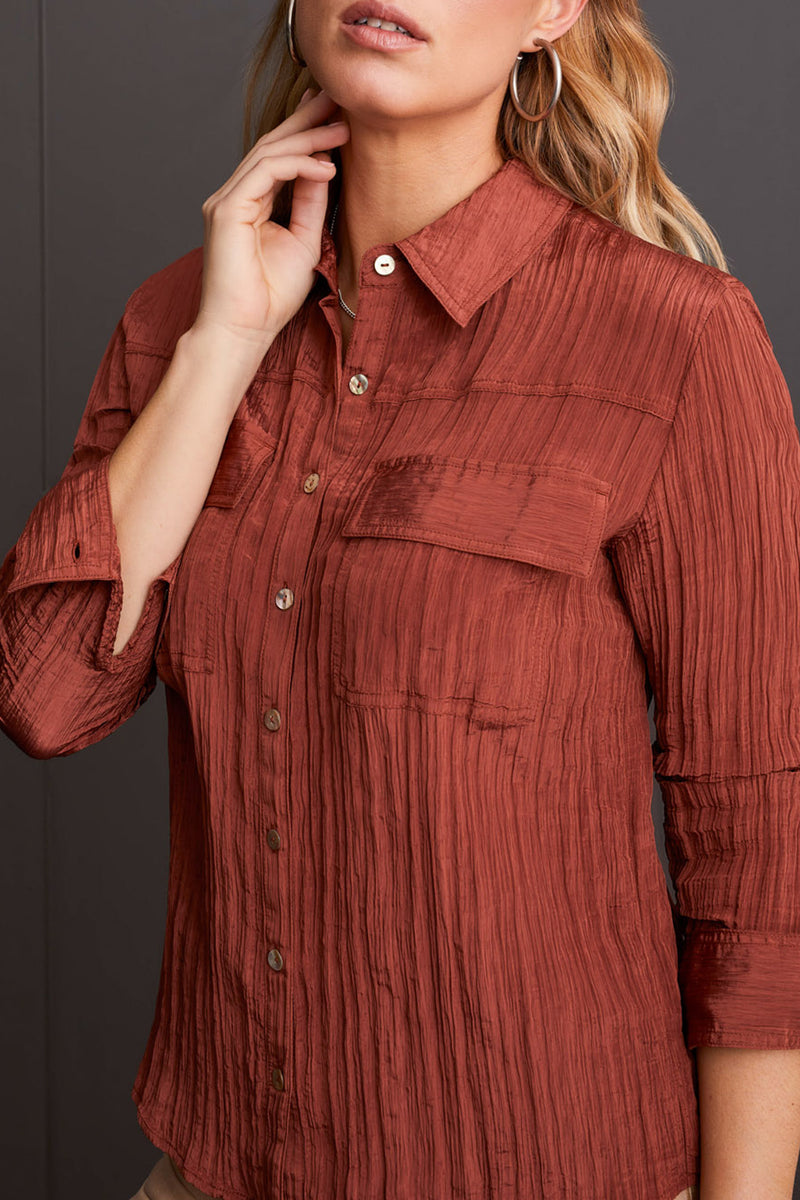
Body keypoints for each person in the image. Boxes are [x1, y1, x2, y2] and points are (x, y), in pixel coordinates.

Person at [2, 0, 799, 1196]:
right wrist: (224, 343)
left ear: (550, 13)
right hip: (221, 1170)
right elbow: (48, 698)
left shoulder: (674, 339)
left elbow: (759, 848)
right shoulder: (178, 321)